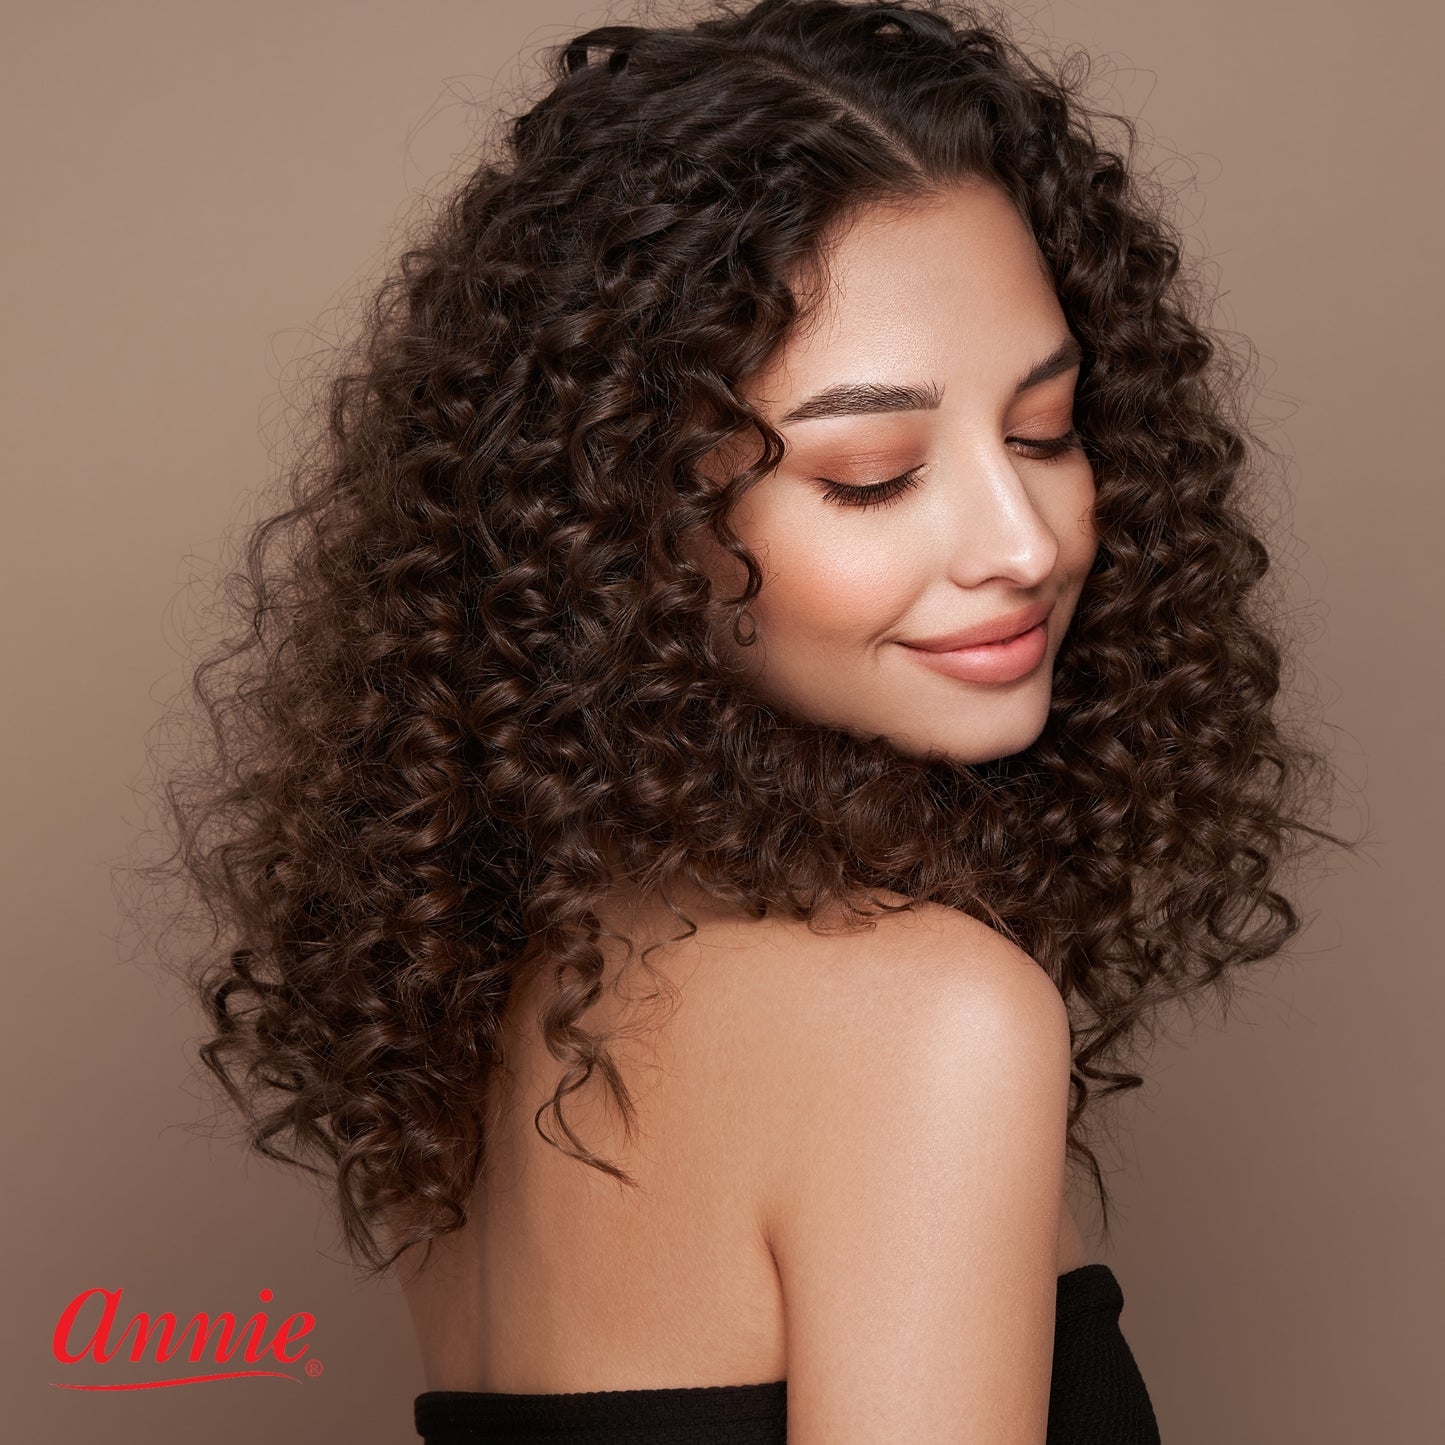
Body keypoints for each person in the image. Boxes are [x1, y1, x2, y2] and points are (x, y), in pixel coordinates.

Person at [144, 1, 1351, 1439]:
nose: (1022, 542)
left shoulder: (494, 1007)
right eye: (871, 473)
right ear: (626, 523)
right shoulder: (929, 1020)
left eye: (1044, 431)